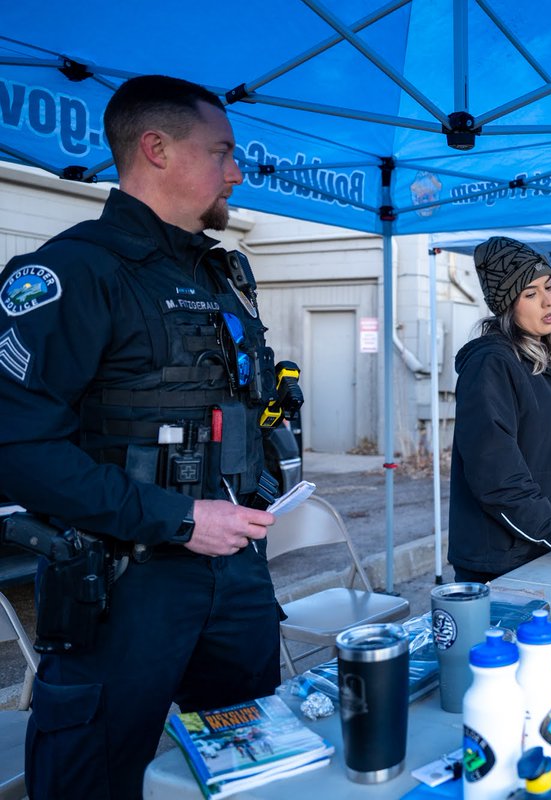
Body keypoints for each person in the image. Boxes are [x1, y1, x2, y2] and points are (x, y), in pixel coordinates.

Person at [0, 75, 295, 798]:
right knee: (94, 780)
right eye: (222, 152)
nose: (237, 170)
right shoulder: (72, 272)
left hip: (235, 575)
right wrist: (182, 517)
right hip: (121, 584)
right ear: (156, 149)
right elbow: (17, 451)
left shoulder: (223, 273)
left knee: (256, 768)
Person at [448, 236, 551, 584]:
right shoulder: (491, 364)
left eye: (549, 286)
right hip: (501, 561)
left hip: (543, 548)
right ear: (508, 306)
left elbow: (533, 448)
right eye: (530, 294)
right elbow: (495, 471)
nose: (548, 300)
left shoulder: (543, 363)